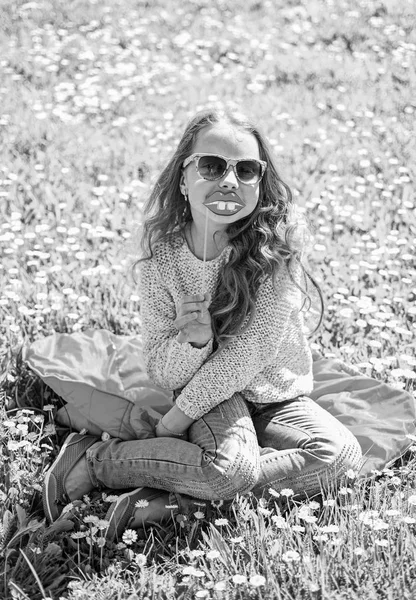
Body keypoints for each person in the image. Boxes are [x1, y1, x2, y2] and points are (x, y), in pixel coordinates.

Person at [42, 107, 363, 541]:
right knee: (231, 470)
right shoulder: (163, 262)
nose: (230, 181)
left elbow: (250, 352)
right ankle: (99, 461)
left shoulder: (281, 243)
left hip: (274, 393)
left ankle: (174, 496)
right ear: (183, 177)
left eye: (246, 170)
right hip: (207, 394)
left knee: (341, 455)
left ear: (260, 180)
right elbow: (161, 370)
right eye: (212, 166)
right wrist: (192, 345)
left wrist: (172, 423)